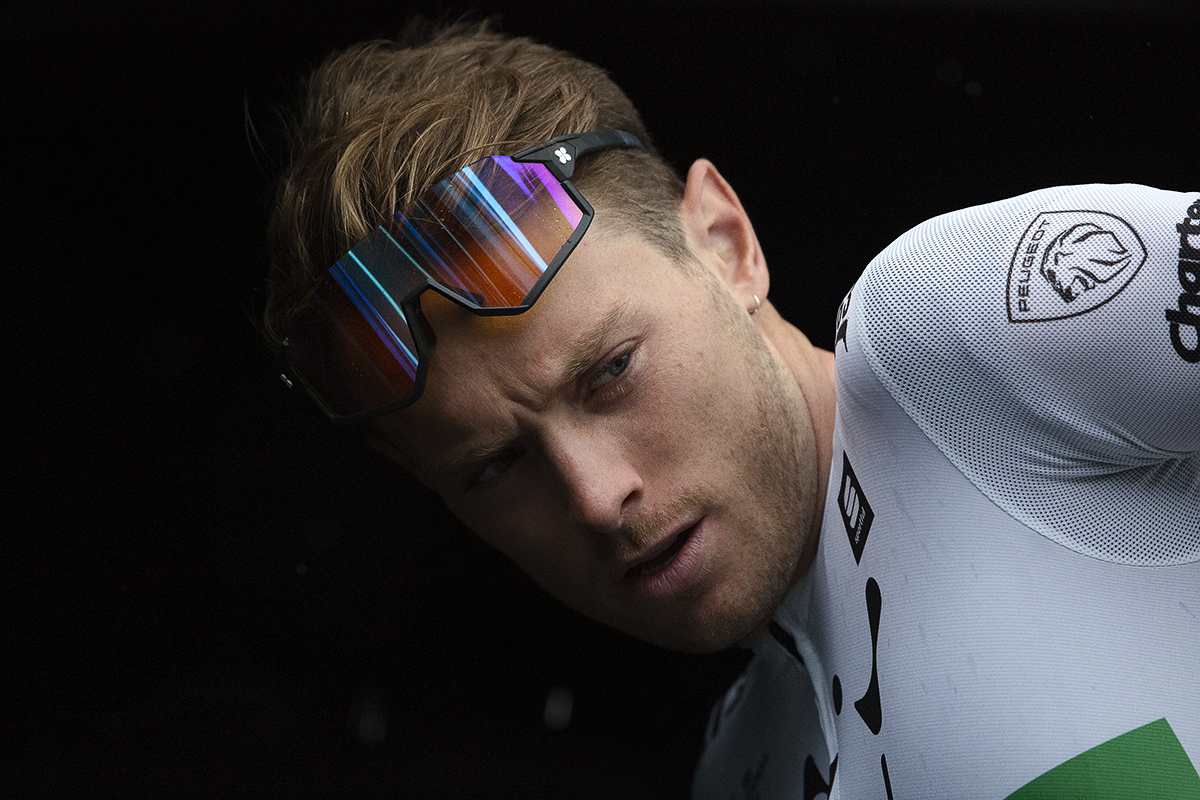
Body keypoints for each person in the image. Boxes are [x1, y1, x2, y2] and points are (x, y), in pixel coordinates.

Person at [263, 21, 1200, 798]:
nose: (596, 498)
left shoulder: (957, 333)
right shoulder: (742, 770)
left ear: (726, 242)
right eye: (496, 467)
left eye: (610, 372)